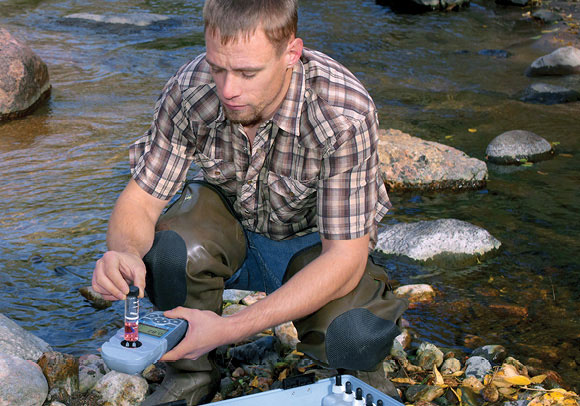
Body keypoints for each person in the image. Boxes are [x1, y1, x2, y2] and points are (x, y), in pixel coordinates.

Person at [92, 0, 406, 404]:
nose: (228, 89)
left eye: (247, 72)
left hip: (316, 251)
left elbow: (344, 260)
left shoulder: (342, 114)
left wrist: (231, 327)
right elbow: (140, 201)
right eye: (217, 67)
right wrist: (124, 253)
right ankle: (191, 375)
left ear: (291, 53)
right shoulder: (190, 91)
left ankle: (355, 378)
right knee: (165, 253)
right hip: (233, 234)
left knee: (354, 334)